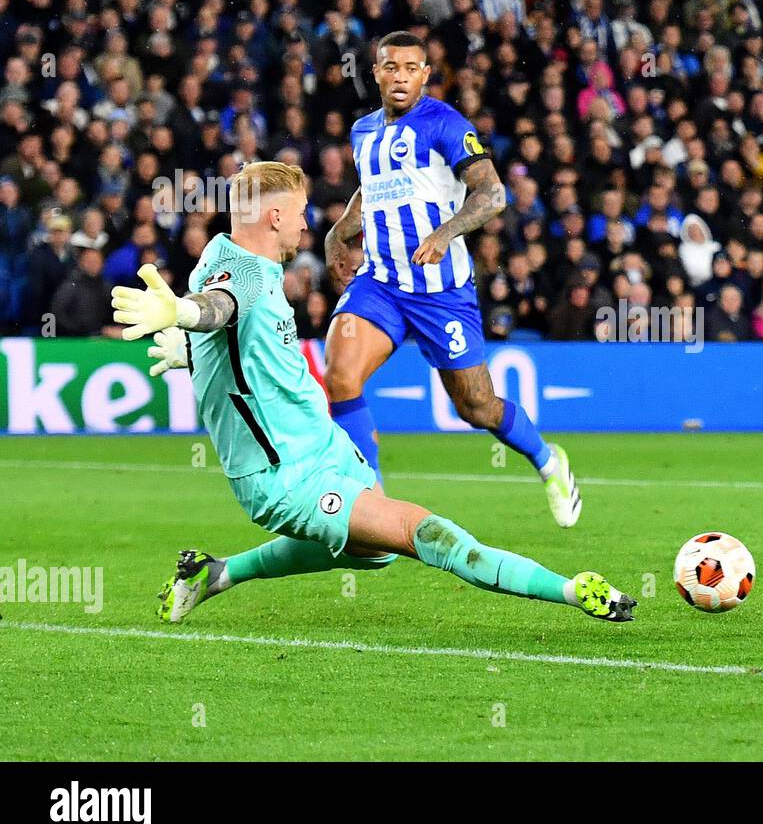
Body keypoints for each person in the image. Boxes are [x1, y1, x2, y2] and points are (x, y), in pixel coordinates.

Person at [110, 162, 632, 625]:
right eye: (299, 211)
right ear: (272, 218)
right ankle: (572, 588)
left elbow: (230, 324)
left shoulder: (224, 254)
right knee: (423, 533)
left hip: (322, 443)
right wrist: (182, 315)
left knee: (375, 554)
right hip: (283, 475)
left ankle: (216, 573)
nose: (305, 223)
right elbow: (219, 305)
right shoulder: (242, 273)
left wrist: (196, 350)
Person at [322, 32, 580, 528]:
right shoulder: (362, 132)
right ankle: (370, 497)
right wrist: (339, 233)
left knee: (476, 407)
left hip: (441, 293)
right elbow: (372, 190)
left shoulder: (444, 123)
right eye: (390, 67)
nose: (400, 76)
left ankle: (549, 461)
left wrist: (445, 232)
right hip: (381, 284)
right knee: (339, 376)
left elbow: (493, 193)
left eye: (411, 68)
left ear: (424, 75)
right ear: (375, 73)